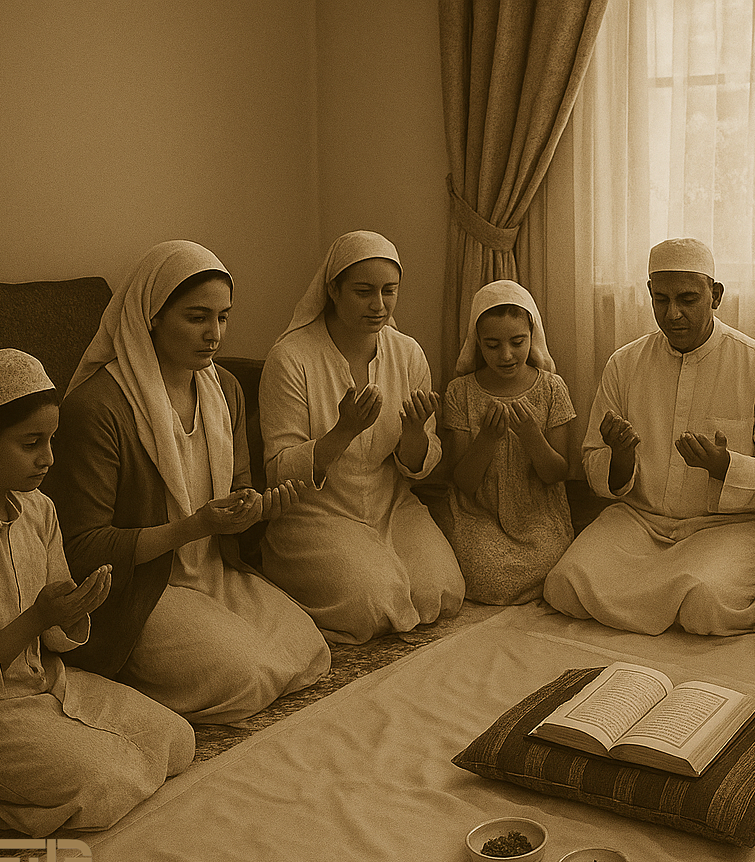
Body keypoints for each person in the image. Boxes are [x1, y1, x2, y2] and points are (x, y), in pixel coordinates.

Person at [47, 240, 329, 724]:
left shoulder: (227, 391)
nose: (214, 334)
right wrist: (193, 527)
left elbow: (238, 492)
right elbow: (85, 549)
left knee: (310, 652)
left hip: (214, 571)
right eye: (197, 318)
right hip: (138, 589)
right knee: (249, 677)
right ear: (152, 316)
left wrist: (259, 509)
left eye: (223, 317)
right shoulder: (96, 410)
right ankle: (125, 667)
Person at [0, 349, 194, 834]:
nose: (49, 459)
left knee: (177, 743)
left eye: (52, 440)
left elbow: (51, 640)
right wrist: (34, 619)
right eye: (32, 443)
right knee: (111, 784)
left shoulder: (39, 510)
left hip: (43, 682)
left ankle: (34, 779)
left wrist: (72, 612)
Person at [544, 238, 755, 635]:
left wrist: (725, 466)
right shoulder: (625, 363)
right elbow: (594, 457)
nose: (673, 314)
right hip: (640, 521)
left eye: (687, 299)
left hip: (728, 526)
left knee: (706, 604)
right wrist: (620, 458)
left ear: (715, 295)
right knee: (565, 585)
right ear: (649, 295)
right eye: (661, 300)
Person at [258, 230, 465, 642]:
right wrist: (343, 432)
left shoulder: (407, 354)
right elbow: (277, 473)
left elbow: (418, 464)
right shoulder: (291, 358)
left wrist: (413, 434)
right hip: (316, 512)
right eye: (364, 291)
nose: (379, 305)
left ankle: (378, 563)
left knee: (441, 592)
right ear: (332, 289)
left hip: (390, 504)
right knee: (373, 604)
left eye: (390, 291)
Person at [441, 280, 575, 605]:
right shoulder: (460, 392)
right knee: (486, 573)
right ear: (477, 343)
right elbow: (463, 482)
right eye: (491, 345)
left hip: (538, 516)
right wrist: (486, 439)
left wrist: (531, 436)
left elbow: (557, 472)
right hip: (480, 515)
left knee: (558, 570)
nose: (506, 355)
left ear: (532, 336)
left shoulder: (552, 389)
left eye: (517, 342)